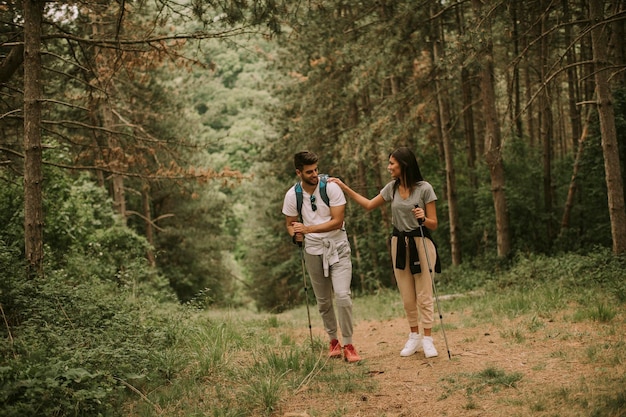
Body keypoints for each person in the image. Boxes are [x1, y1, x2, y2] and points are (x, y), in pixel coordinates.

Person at [329, 146, 441, 358]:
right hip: (398, 243)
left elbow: (434, 224)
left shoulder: (425, 188)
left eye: (392, 163)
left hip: (421, 242)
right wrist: (344, 187)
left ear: (403, 165)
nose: (389, 167)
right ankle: (413, 335)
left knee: (424, 293)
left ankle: (427, 339)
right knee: (407, 294)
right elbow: (369, 205)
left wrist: (423, 218)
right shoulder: (392, 188)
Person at [282, 151, 362, 363]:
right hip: (313, 251)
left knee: (343, 295)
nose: (315, 174)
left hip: (338, 247)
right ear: (298, 172)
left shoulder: (332, 187)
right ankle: (333, 340)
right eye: (309, 171)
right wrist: (296, 234)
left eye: (316, 169)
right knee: (323, 300)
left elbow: (337, 221)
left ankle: (349, 343)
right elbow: (290, 223)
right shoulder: (293, 195)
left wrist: (307, 229)